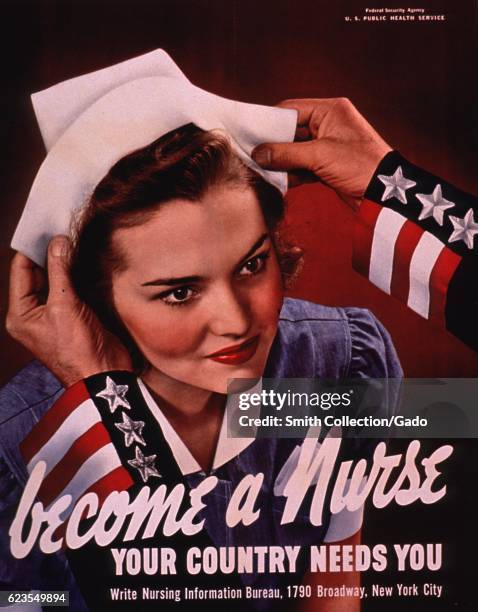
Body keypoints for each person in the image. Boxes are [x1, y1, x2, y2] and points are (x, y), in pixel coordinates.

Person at [1, 53, 401, 611]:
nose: (236, 321)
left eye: (251, 265)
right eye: (180, 292)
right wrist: (98, 398)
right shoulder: (17, 447)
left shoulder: (339, 360)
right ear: (92, 297)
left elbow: (331, 593)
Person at [252, 98, 478, 353]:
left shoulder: (344, 349)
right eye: (194, 289)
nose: (236, 323)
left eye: (252, 265)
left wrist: (384, 179)